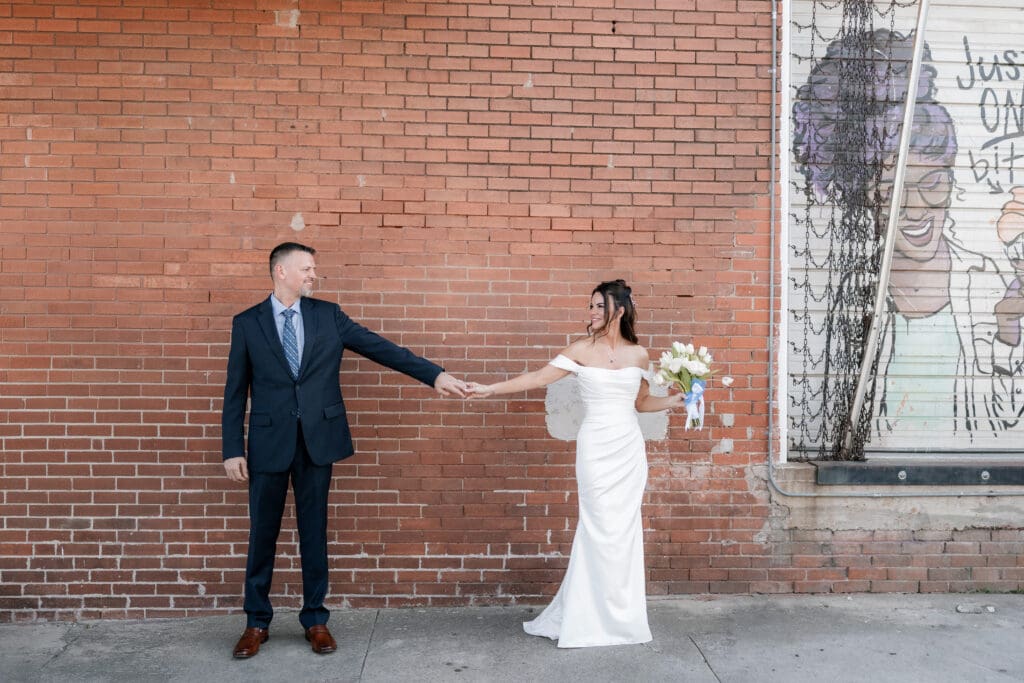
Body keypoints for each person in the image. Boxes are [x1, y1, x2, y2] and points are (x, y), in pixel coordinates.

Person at [222, 241, 468, 659]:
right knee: (262, 535)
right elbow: (234, 391)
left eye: (313, 269)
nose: (313, 275)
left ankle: (315, 620)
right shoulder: (247, 323)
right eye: (306, 268)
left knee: (314, 533)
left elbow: (381, 347)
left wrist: (434, 375)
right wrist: (232, 448)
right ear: (281, 271)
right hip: (267, 444)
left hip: (318, 442)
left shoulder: (327, 315)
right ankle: (256, 622)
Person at [466, 280, 685, 648]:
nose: (592, 312)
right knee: (597, 527)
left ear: (619, 310)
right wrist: (488, 389)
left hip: (629, 450)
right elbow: (537, 378)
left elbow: (641, 403)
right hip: (596, 448)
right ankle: (586, 618)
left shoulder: (640, 355)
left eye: (600, 306)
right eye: (591, 306)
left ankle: (622, 619)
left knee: (624, 531)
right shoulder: (580, 349)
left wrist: (675, 401)